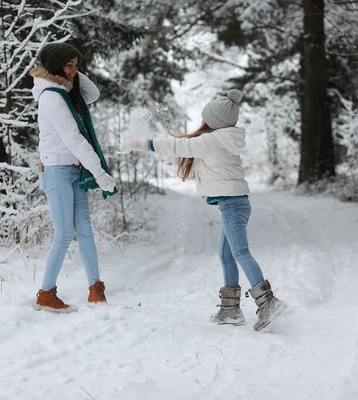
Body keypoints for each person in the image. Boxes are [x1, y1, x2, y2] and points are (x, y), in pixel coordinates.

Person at [120, 90, 285, 330]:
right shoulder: (225, 139)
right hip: (235, 202)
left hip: (232, 203)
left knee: (240, 253)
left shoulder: (210, 140)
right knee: (227, 256)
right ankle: (230, 311)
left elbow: (176, 145)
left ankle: (268, 303)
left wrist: (141, 143)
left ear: (213, 120)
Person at [29, 43, 117, 313]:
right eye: (69, 65)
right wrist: (101, 174)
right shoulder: (51, 97)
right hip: (56, 171)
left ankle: (95, 288)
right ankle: (46, 292)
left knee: (85, 230)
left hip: (74, 169)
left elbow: (93, 93)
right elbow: (73, 138)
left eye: (77, 65)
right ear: (55, 67)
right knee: (64, 233)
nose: (74, 71)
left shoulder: (66, 92)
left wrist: (70, 73)